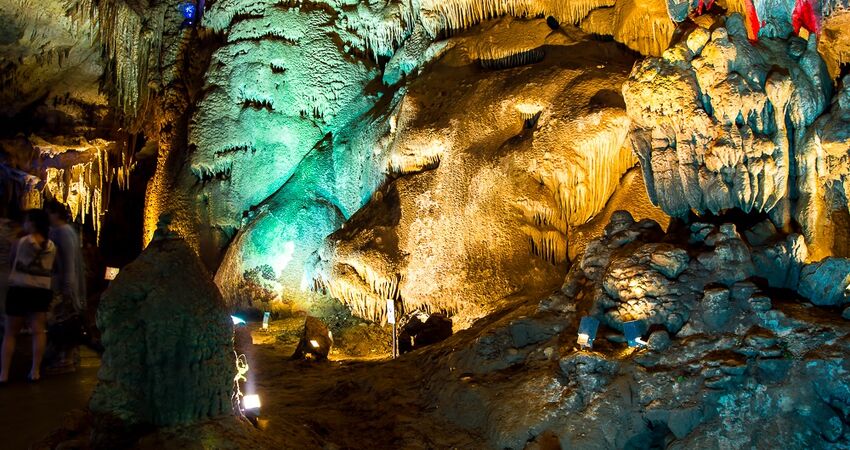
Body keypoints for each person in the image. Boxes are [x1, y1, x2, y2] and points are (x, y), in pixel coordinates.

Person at [0, 209, 57, 382]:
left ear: (32, 223)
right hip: (41, 291)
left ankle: (4, 373)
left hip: (20, 289)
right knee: (38, 331)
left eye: (26, 221)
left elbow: (11, 261)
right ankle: (35, 371)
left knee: (10, 332)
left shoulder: (21, 242)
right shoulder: (51, 246)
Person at [44, 201, 86, 373]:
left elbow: (69, 262)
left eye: (47, 213)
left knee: (64, 321)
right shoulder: (62, 231)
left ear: (54, 213)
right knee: (63, 320)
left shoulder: (63, 232)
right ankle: (68, 355)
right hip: (63, 282)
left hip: (65, 284)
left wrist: (68, 287)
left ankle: (66, 359)